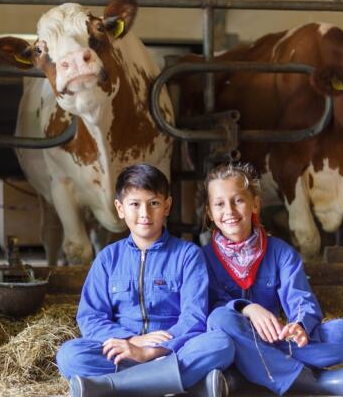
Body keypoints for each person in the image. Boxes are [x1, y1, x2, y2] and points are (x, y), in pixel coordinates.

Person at [56, 163, 235, 397]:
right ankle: (179, 385)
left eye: (154, 203)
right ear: (120, 208)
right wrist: (132, 341)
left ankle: (112, 387)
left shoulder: (189, 255)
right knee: (70, 355)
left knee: (220, 345)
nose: (145, 214)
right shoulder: (108, 258)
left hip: (171, 350)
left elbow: (194, 317)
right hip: (122, 350)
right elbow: (91, 317)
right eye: (135, 204)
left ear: (167, 206)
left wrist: (153, 351)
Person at [201, 162, 343, 396]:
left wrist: (299, 325)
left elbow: (302, 300)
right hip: (229, 341)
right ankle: (312, 382)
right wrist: (247, 309)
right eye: (219, 204)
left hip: (274, 341)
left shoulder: (281, 252)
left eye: (238, 200)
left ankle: (243, 378)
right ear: (209, 212)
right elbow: (204, 311)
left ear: (255, 203)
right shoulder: (201, 258)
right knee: (220, 319)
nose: (229, 211)